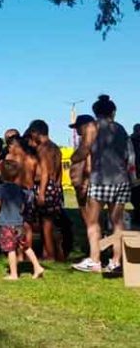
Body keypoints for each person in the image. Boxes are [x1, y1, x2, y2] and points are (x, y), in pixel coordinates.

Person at [71, 95, 135, 273]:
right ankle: (116, 261)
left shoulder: (93, 126)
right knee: (117, 222)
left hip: (100, 179)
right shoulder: (120, 129)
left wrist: (73, 157)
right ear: (113, 112)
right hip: (121, 179)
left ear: (95, 111)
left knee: (93, 222)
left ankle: (95, 260)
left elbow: (84, 150)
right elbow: (130, 155)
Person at [0, 160, 45, 280]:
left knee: (10, 249)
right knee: (25, 246)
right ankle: (37, 267)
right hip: (19, 222)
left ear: (1, 174)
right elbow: (22, 206)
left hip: (6, 223)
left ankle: (14, 274)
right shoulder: (19, 189)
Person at [26, 119, 65, 261]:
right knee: (52, 223)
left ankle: (50, 255)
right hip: (55, 187)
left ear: (37, 132)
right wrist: (58, 187)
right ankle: (55, 252)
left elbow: (45, 173)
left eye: (32, 133)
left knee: (46, 224)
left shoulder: (43, 148)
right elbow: (59, 170)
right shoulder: (55, 147)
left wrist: (41, 193)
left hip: (45, 187)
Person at [5, 135, 39, 257]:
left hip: (16, 193)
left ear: (16, 146)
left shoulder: (10, 159)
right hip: (29, 193)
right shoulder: (32, 159)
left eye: (10, 145)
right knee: (27, 225)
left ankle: (19, 254)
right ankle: (27, 252)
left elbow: (5, 175)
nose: (8, 148)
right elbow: (37, 176)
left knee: (16, 224)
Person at [132, 124, 140, 227]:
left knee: (136, 198)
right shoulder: (131, 141)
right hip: (135, 173)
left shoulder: (130, 140)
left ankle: (137, 216)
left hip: (134, 173)